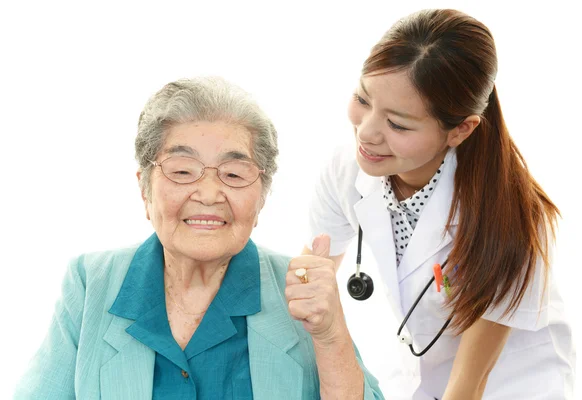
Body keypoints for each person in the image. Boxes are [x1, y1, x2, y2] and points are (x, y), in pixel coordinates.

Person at [14, 77, 383, 399]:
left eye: (234, 174)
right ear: (145, 190)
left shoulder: (300, 290)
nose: (208, 194)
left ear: (263, 197)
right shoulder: (90, 281)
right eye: (182, 171)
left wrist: (330, 335)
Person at [304, 9, 575, 400]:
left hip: (513, 380)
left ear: (460, 129)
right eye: (362, 98)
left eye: (397, 124)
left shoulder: (512, 217)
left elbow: (469, 386)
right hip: (418, 365)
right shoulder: (346, 170)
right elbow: (312, 272)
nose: (366, 132)